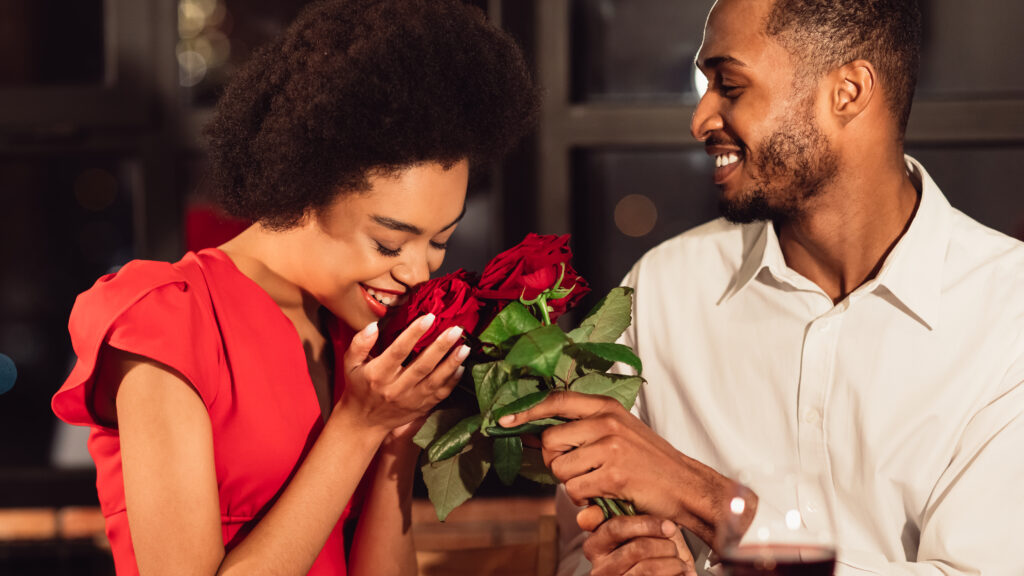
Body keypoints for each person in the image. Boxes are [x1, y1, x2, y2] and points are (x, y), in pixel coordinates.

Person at [499, 0, 1024, 574]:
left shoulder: (1007, 312)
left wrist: (709, 501)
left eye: (729, 85)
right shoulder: (661, 292)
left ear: (847, 92)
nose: (700, 118)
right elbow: (582, 554)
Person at [51, 1, 538, 574]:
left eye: (439, 241)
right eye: (388, 242)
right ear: (305, 187)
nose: (418, 273)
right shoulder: (168, 322)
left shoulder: (358, 335)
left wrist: (393, 440)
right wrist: (357, 426)